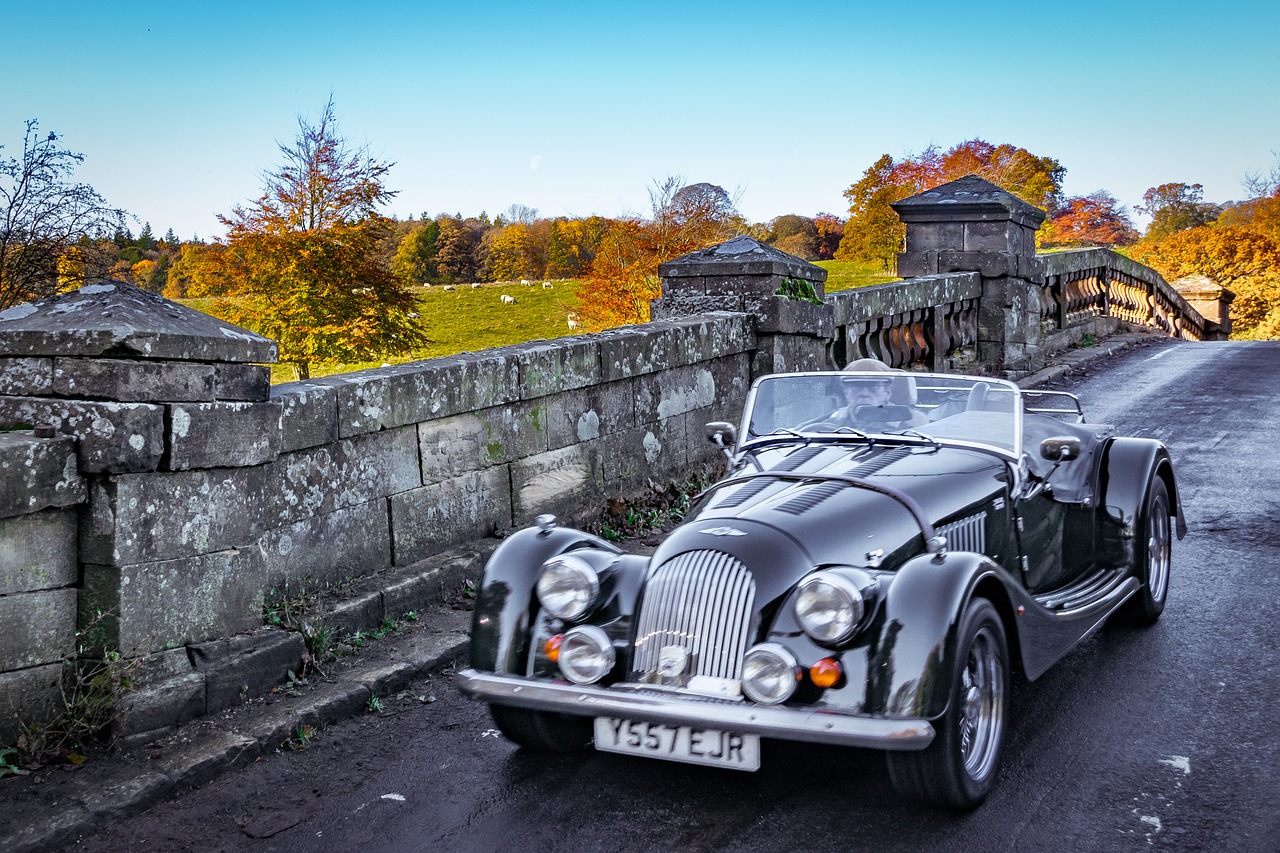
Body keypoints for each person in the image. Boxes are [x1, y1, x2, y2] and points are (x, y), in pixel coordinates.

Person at [827, 358, 928, 430]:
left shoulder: (912, 421)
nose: (864, 393)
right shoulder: (835, 420)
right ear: (846, 391)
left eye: (873, 387)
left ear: (888, 392)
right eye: (856, 386)